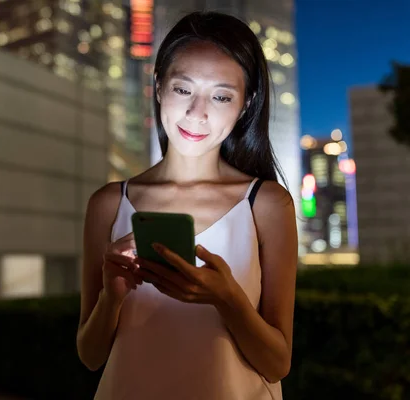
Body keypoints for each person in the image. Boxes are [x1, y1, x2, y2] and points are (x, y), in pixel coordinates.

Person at [76, 11, 297, 400]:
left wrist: (227, 299)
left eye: (221, 96)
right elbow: (90, 356)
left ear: (245, 105)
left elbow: (277, 364)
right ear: (158, 86)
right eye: (183, 89)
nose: (198, 113)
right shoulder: (109, 204)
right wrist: (111, 298)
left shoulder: (266, 204)